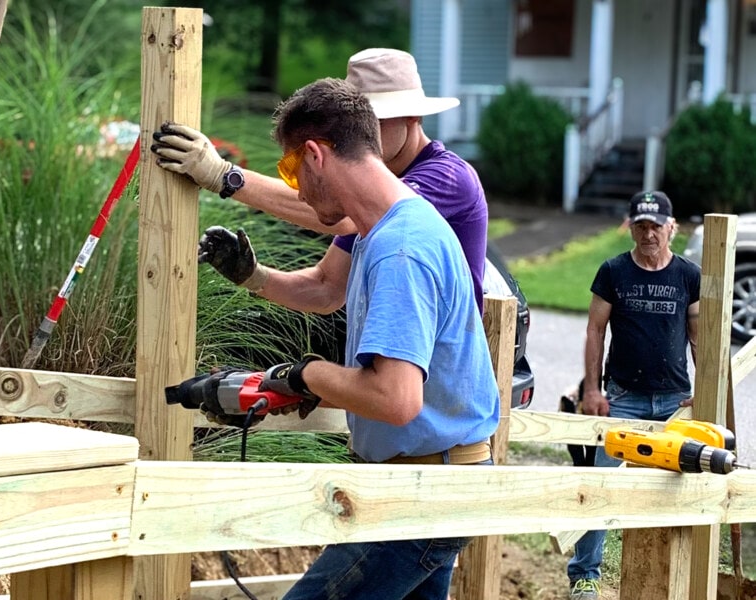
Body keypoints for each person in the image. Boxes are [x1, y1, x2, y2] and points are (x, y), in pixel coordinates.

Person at [199, 77, 499, 600]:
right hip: (435, 480)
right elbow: (323, 288)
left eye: (290, 169)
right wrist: (253, 276)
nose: (294, 185)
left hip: (420, 495)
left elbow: (395, 398)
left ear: (315, 154)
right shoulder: (381, 229)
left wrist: (306, 374)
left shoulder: (399, 247)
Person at [149, 48, 488, 316]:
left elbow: (343, 217)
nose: (363, 134)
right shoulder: (377, 188)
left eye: (376, 120)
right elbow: (326, 288)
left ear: (414, 117)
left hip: (438, 377)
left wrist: (223, 176)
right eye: (359, 120)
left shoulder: (448, 178)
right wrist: (252, 275)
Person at [567, 190, 701, 600]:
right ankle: (585, 575)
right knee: (605, 486)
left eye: (656, 226)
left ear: (671, 228)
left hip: (675, 400)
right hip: (622, 397)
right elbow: (594, 331)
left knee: (677, 489)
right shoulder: (613, 272)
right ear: (632, 227)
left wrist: (703, 391)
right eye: (641, 226)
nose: (648, 234)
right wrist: (592, 389)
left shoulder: (688, 276)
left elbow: (699, 337)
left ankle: (670, 577)